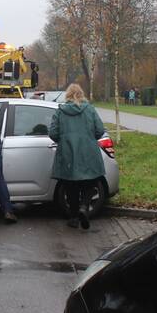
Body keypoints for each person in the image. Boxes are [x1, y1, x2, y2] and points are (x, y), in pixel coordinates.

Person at [50, 83, 106, 230]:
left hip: (68, 153)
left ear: (67, 95)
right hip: (88, 152)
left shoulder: (60, 112)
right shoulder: (90, 110)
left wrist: (64, 140)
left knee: (70, 186)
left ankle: (74, 218)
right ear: (81, 94)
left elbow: (53, 134)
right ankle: (84, 206)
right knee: (91, 182)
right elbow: (100, 130)